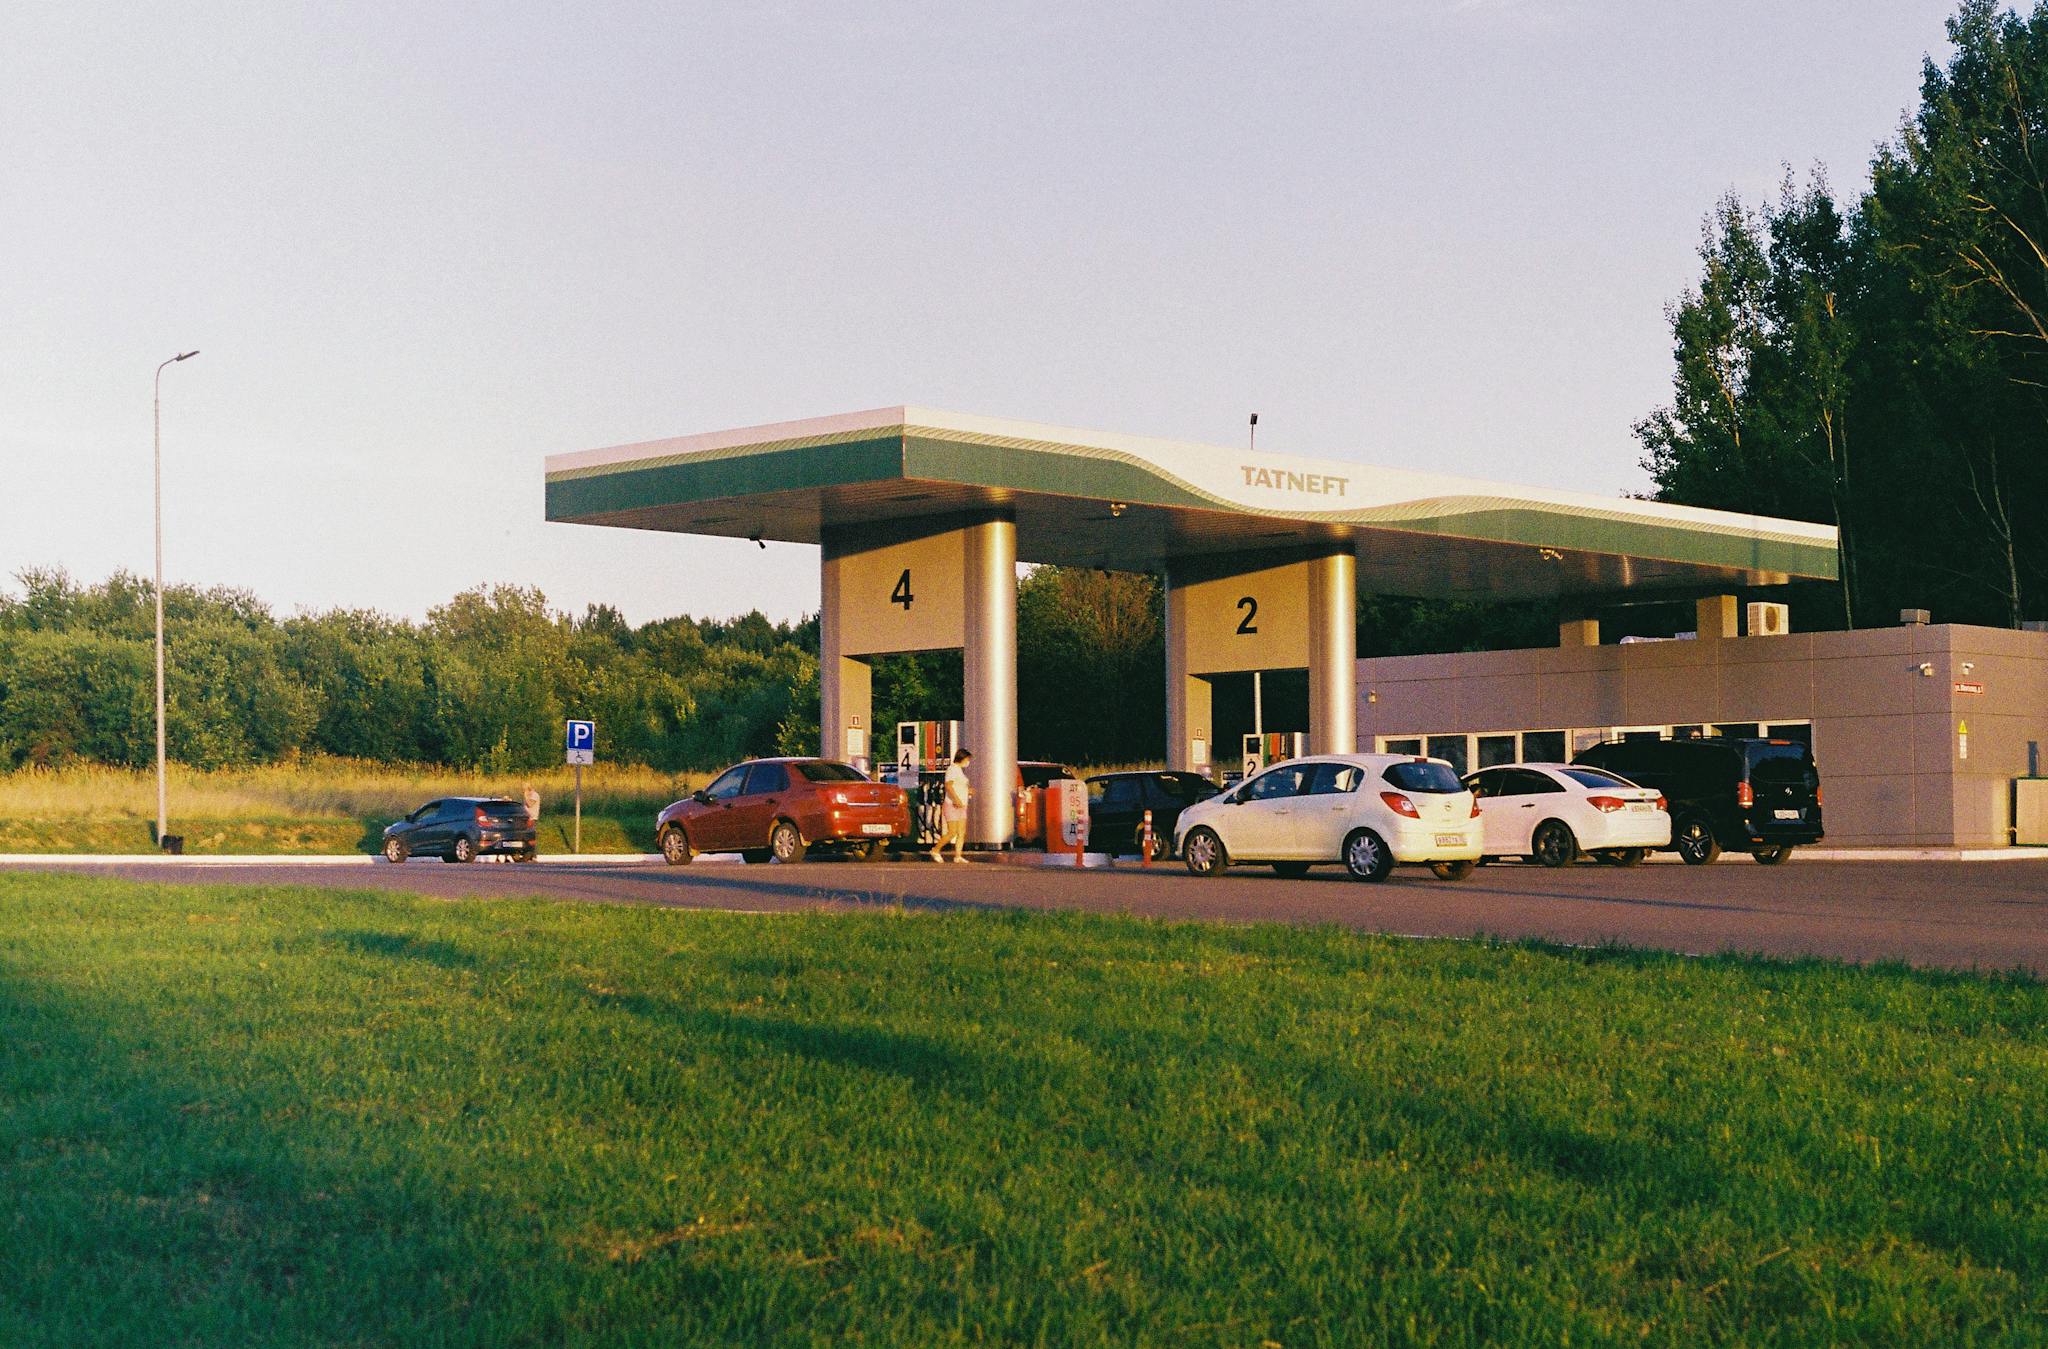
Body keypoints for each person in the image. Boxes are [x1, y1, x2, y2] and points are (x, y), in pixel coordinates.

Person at [932, 749, 971, 862]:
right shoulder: (952, 769)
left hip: (962, 805)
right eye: (967, 759)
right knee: (952, 831)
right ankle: (935, 850)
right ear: (962, 758)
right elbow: (948, 786)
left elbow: (960, 786)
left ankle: (958, 856)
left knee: (961, 832)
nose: (968, 762)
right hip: (952, 805)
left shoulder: (959, 771)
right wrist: (956, 799)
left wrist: (968, 791)